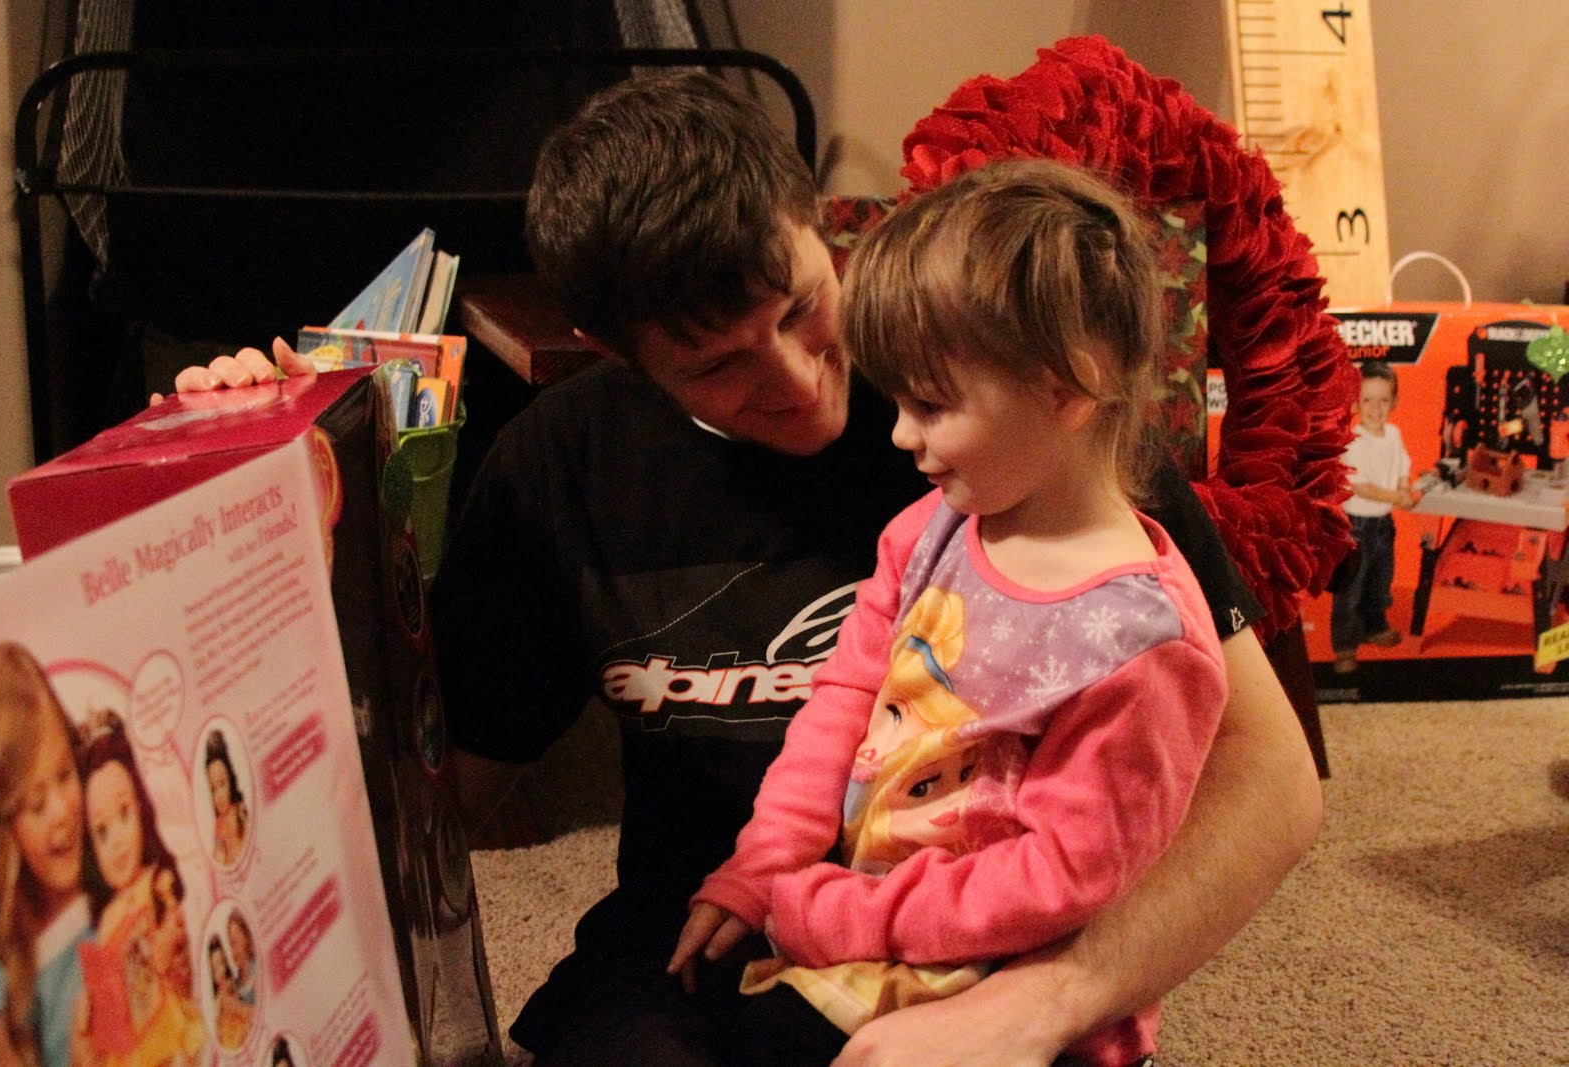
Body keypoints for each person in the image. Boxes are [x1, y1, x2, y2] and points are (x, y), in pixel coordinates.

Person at [169, 69, 1322, 1066]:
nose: (798, 380)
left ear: (816, 221)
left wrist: (1051, 997)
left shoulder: (1023, 404)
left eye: (804, 307)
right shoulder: (561, 466)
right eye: (718, 366)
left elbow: (1273, 780)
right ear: (616, 355)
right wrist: (281, 525)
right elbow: (425, 804)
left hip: (1000, 941)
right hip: (706, 928)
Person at [667, 158, 1228, 1066]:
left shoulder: (1143, 642)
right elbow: (842, 703)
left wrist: (845, 915)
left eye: (930, 404)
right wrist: (764, 866)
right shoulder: (930, 529)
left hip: (1005, 984)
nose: (899, 434)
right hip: (877, 926)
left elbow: (1062, 875)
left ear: (1066, 387)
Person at [0, 642, 97, 1067]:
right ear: (6, 830)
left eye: (65, 774)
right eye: (36, 803)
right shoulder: (16, 980)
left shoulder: (114, 884)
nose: (62, 812)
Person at [75, 710, 206, 1066]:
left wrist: (168, 941)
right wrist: (91, 1007)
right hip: (126, 1048)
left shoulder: (155, 884)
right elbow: (106, 991)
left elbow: (177, 933)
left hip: (165, 1027)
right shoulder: (106, 919)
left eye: (124, 814)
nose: (117, 841)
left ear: (141, 810)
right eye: (102, 832)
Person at [1331, 359, 1415, 674]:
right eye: (1367, 400)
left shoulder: (1394, 434)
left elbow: (1403, 465)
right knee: (1350, 589)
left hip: (1383, 524)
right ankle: (1344, 646)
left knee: (1380, 582)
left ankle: (1375, 626)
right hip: (1357, 526)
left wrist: (1404, 486)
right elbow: (1360, 486)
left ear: (1394, 403)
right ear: (1355, 402)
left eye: (1383, 400)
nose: (1375, 408)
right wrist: (1396, 497)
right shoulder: (1353, 441)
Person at [202, 731, 249, 867]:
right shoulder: (219, 824)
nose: (218, 795)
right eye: (213, 789)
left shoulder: (240, 810)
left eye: (222, 784)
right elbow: (218, 853)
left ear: (231, 781)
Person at [206, 936, 253, 1051]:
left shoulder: (235, 985)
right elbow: (247, 1013)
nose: (222, 971)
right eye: (216, 969)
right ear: (212, 976)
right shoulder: (222, 998)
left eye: (223, 962)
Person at [225, 910, 258, 1008]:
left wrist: (235, 1006)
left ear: (246, 939)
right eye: (229, 945)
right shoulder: (235, 983)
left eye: (233, 943)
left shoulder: (259, 971)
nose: (231, 953)